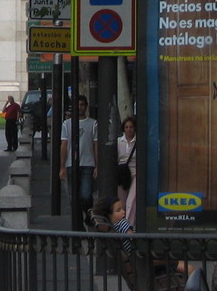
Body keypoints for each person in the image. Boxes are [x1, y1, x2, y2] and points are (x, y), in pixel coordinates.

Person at [93, 197, 193, 277]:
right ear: (109, 215)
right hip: (144, 261)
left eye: (122, 208)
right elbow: (133, 238)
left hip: (136, 262)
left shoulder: (114, 227)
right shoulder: (122, 223)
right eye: (118, 210)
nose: (123, 212)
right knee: (189, 269)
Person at [59, 95, 98, 225]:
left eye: (82, 105)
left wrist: (97, 166)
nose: (80, 107)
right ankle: (79, 223)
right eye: (77, 105)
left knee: (86, 195)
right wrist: (62, 167)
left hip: (88, 164)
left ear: (86, 106)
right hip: (71, 165)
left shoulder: (93, 123)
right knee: (73, 198)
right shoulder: (67, 124)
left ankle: (89, 213)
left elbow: (95, 145)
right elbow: (64, 145)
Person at [117, 116, 137, 224]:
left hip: (135, 173)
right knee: (122, 202)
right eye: (126, 127)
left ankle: (129, 228)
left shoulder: (139, 142)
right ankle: (122, 225)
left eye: (131, 127)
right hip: (122, 174)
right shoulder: (119, 142)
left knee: (131, 201)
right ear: (123, 129)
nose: (129, 129)